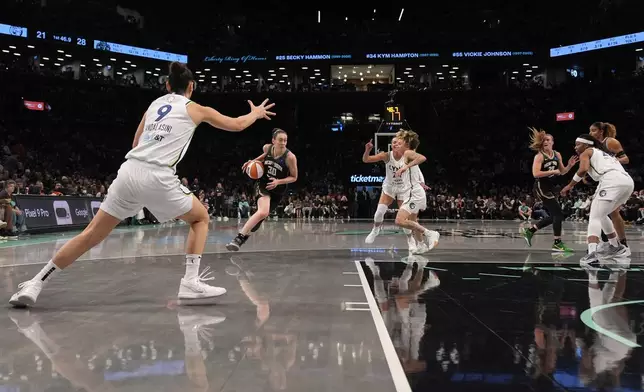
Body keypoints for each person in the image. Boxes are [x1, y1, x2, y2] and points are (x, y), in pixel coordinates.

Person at [9, 62, 276, 307]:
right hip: (157, 176)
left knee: (90, 235)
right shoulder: (196, 109)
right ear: (191, 87)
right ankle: (190, 283)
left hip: (128, 172)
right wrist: (255, 113)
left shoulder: (153, 106)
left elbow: (136, 144)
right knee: (200, 218)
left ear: (168, 86)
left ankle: (35, 283)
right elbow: (238, 125)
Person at [560, 134, 633, 265]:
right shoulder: (605, 154)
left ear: (586, 144)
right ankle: (616, 246)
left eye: (578, 144)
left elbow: (582, 170)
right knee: (602, 214)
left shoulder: (586, 152)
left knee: (594, 216)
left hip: (611, 181)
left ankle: (592, 254)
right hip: (627, 182)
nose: (575, 147)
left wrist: (569, 186)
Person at [226, 128, 298, 251]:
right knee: (263, 212)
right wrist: (252, 162)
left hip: (277, 191)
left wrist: (278, 182)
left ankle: (245, 235)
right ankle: (238, 238)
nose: (283, 143)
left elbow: (294, 177)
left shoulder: (290, 157)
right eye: (280, 140)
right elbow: (264, 156)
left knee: (257, 223)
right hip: (263, 184)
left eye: (285, 140)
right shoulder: (267, 148)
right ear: (273, 141)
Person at [522, 128, 577, 252]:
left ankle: (530, 231)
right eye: (544, 140)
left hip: (550, 186)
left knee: (555, 216)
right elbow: (535, 174)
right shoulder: (539, 156)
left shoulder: (557, 155)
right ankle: (557, 243)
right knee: (558, 214)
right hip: (541, 186)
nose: (545, 142)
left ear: (552, 142)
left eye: (548, 140)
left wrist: (569, 165)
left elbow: (562, 172)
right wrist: (553, 171)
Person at [391, 130, 440, 254]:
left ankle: (430, 234)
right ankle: (421, 245)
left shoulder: (408, 152)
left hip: (414, 193)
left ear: (407, 144)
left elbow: (422, 158)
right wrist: (421, 181)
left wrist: (405, 167)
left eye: (399, 143)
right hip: (413, 192)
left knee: (399, 221)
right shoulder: (405, 156)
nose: (396, 144)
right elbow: (417, 169)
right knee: (413, 222)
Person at [589, 122, 630, 253]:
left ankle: (621, 243)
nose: (591, 133)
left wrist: (612, 160)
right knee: (605, 212)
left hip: (616, 178)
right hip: (606, 180)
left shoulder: (610, 142)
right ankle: (612, 243)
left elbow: (625, 159)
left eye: (593, 130)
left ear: (601, 131)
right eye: (590, 131)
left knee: (609, 212)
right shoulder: (594, 147)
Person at [362, 136, 409, 244]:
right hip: (389, 187)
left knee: (405, 219)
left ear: (403, 145)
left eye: (398, 142)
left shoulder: (408, 156)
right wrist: (367, 150)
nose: (395, 144)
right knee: (379, 213)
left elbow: (418, 166)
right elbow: (366, 160)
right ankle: (375, 229)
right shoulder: (387, 155)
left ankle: (410, 240)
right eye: (394, 142)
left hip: (403, 188)